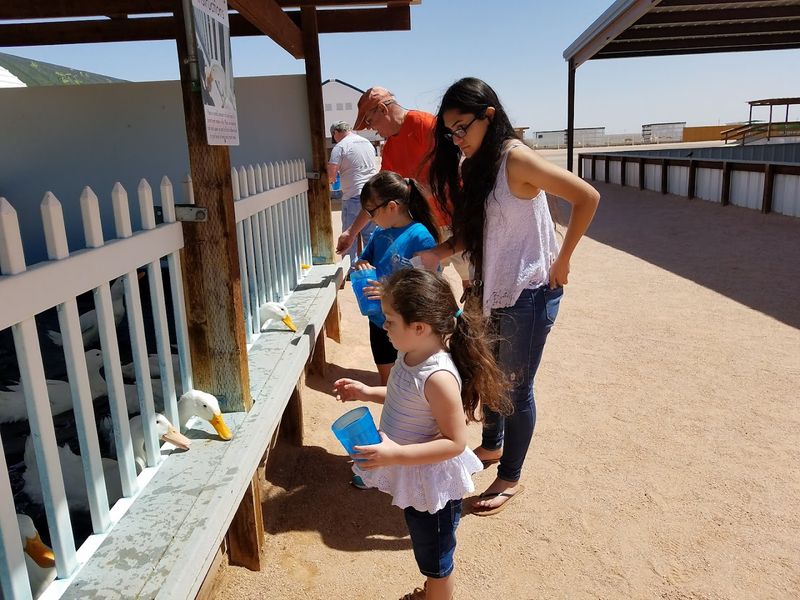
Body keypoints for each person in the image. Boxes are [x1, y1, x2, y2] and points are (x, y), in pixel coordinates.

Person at [416, 77, 600, 515]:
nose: (456, 138)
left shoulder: (516, 159)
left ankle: (510, 475)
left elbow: (586, 197)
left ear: (489, 117)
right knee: (487, 374)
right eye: (450, 131)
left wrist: (564, 259)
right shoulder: (472, 164)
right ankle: (492, 448)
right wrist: (438, 253)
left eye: (463, 127)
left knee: (516, 388)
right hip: (490, 289)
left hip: (529, 291)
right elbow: (478, 230)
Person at [332, 268, 510, 600]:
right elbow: (403, 395)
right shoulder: (410, 354)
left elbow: (455, 442)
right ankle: (432, 591)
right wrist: (367, 392)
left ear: (419, 327)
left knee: (436, 560)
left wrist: (394, 454)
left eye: (389, 320)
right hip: (417, 477)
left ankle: (437, 594)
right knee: (427, 549)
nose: (384, 326)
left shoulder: (439, 376)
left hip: (434, 487)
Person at [336, 86, 471, 283]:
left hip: (455, 222)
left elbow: (456, 170)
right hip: (426, 228)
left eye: (369, 121)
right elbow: (380, 194)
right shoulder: (390, 147)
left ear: (382, 109)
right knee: (425, 287)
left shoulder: (425, 125)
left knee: (471, 285)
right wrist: (351, 232)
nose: (371, 128)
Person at [355, 171, 439, 385]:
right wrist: (361, 265)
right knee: (389, 385)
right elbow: (363, 261)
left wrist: (388, 292)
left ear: (392, 206)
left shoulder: (420, 236)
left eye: (371, 211)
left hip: (408, 325)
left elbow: (427, 286)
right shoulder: (379, 233)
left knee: (412, 384)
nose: (370, 218)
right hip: (378, 322)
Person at [327, 120, 378, 266]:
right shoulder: (366, 142)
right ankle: (372, 266)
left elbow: (331, 176)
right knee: (370, 234)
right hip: (372, 194)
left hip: (353, 195)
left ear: (336, 133)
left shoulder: (340, 146)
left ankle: (349, 270)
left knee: (350, 235)